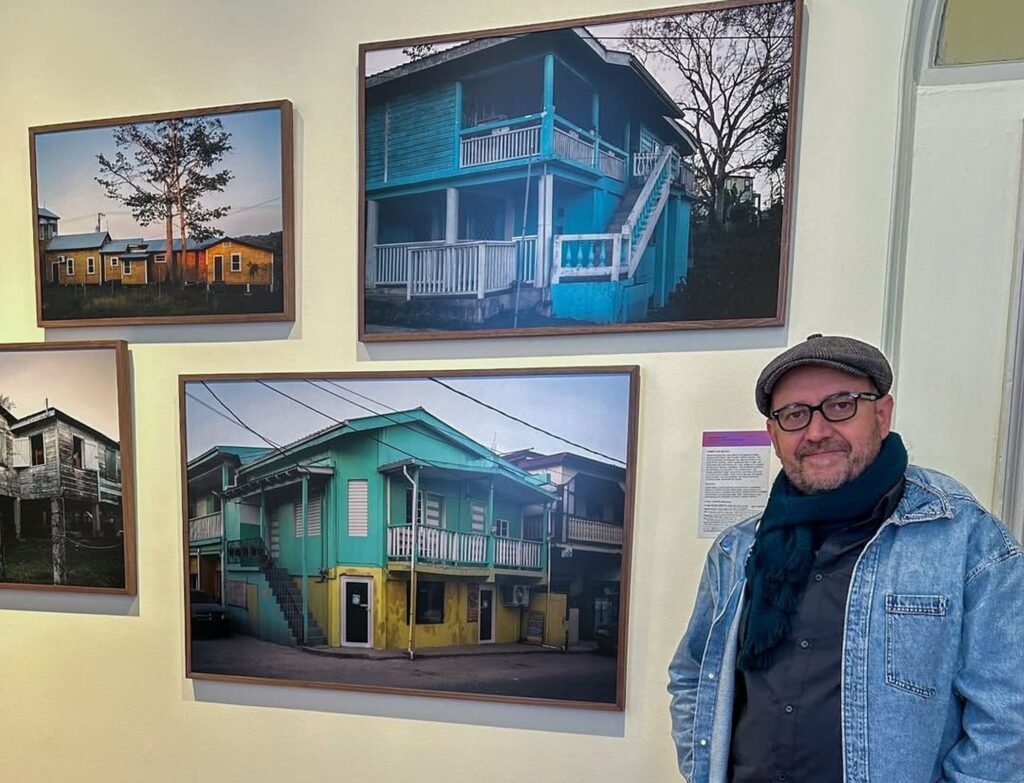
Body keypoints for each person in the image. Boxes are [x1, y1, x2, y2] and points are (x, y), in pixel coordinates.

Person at [668, 334, 1024, 783]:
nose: (817, 432)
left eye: (840, 405)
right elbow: (692, 675)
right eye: (795, 415)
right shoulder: (737, 549)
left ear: (881, 414)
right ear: (774, 436)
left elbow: (1009, 719)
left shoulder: (965, 540)